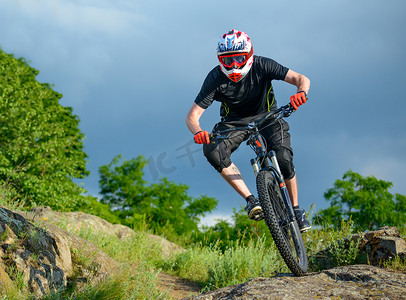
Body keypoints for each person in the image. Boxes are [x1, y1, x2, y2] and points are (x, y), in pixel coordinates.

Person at [185, 29, 311, 232]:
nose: (234, 65)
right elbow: (192, 116)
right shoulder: (215, 78)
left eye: (239, 58)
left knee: (283, 157)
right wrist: (198, 131)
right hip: (234, 123)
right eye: (228, 60)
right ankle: (252, 201)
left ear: (249, 54)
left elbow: (301, 78)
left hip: (269, 115)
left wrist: (301, 92)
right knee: (212, 150)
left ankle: (296, 209)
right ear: (220, 59)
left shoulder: (263, 65)